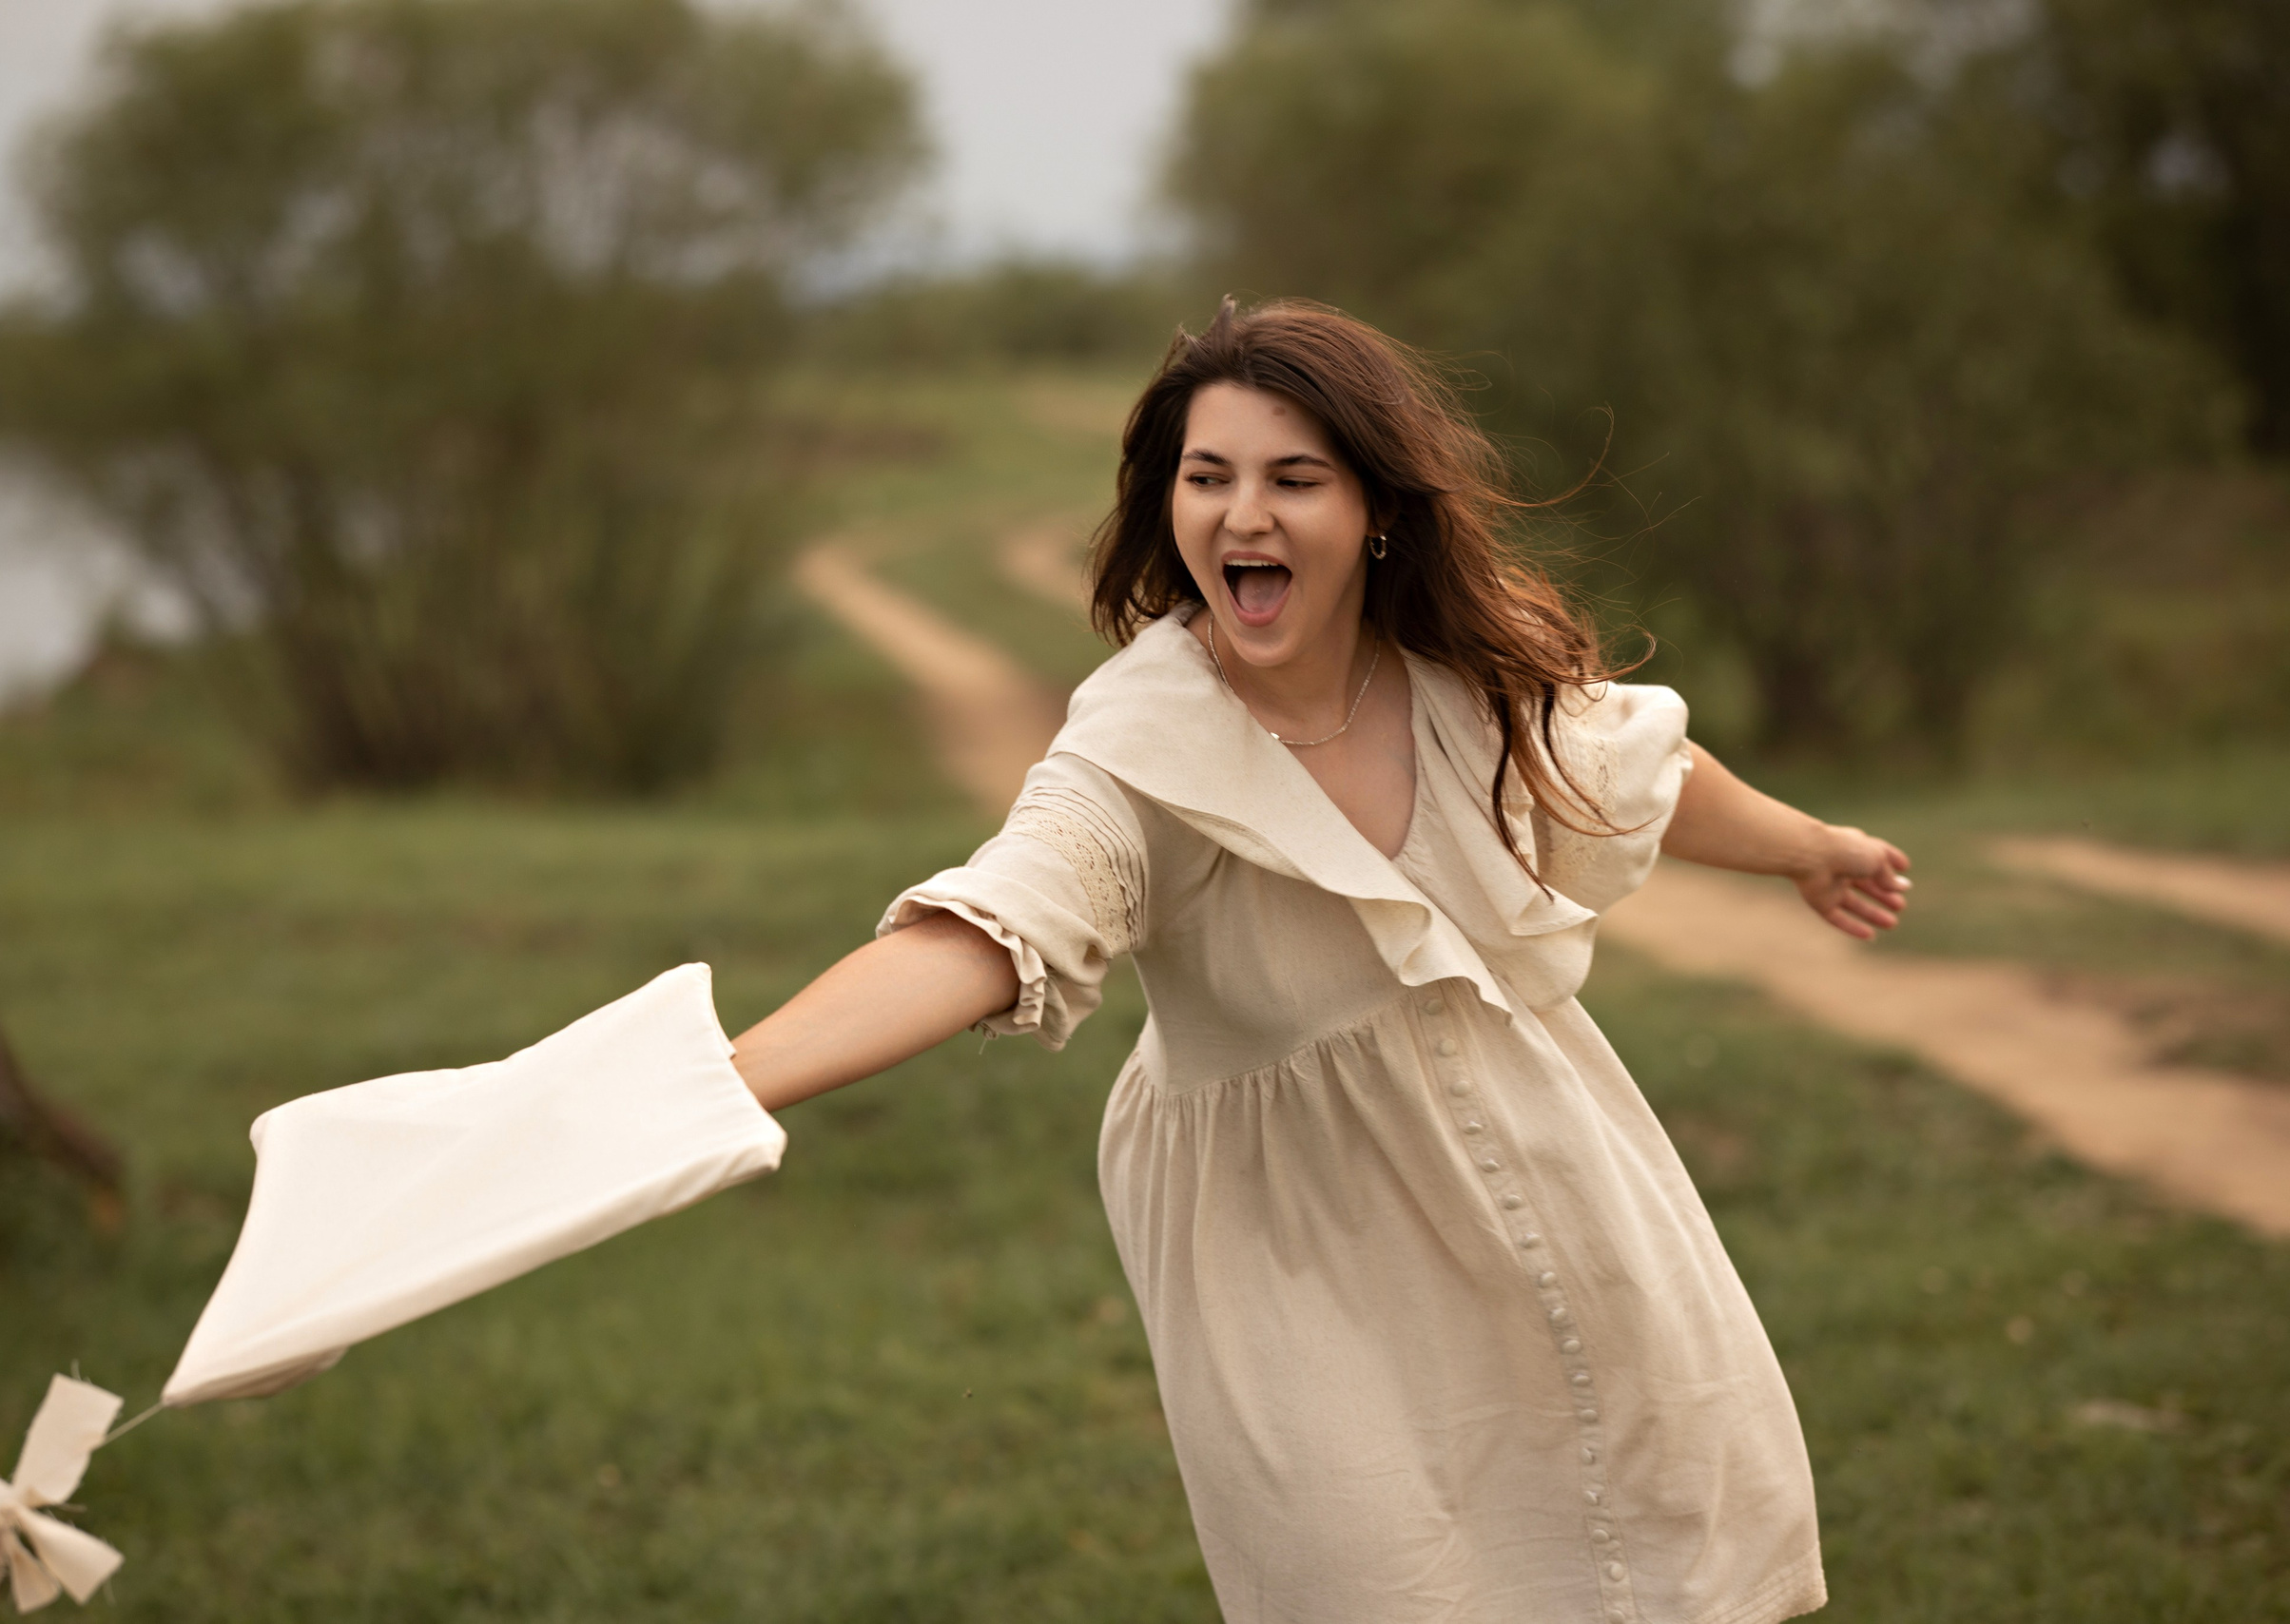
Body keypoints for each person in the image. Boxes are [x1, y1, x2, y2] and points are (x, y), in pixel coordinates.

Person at [729, 299, 1909, 1624]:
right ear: (1164, 505)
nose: (1246, 517)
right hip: (1294, 1264)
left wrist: (1811, 846)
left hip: (1554, 1185)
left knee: (1632, 1552)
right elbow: (989, 923)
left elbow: (1645, 772)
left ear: (1376, 509)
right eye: (1209, 477)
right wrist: (732, 1078)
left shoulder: (1465, 683)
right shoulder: (1143, 746)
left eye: (1295, 479)